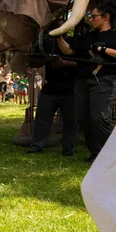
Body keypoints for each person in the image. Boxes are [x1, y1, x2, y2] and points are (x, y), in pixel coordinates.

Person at [56, 1, 116, 163]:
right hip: (82, 81)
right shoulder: (88, 37)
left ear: (106, 17)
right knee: (82, 118)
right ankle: (96, 153)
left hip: (105, 80)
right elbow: (68, 50)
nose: (91, 19)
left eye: (94, 16)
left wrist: (104, 50)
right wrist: (58, 35)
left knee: (98, 118)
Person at [28, 22, 78, 156]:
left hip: (70, 87)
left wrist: (66, 63)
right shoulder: (46, 44)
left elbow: (83, 64)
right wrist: (48, 60)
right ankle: (36, 146)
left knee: (71, 120)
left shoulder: (75, 42)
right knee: (42, 118)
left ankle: (68, 149)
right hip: (50, 87)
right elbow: (32, 62)